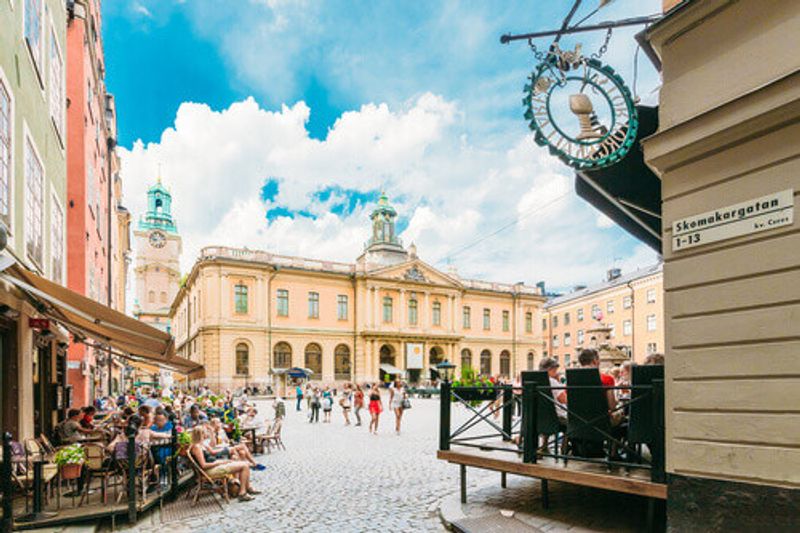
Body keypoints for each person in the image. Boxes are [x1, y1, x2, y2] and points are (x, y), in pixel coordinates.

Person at [189, 427, 260, 502]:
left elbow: (212, 452)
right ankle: (242, 493)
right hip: (210, 470)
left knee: (241, 462)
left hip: (214, 466)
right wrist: (218, 463)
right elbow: (203, 465)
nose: (207, 434)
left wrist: (221, 461)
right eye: (205, 432)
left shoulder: (201, 444)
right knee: (244, 466)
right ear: (201, 434)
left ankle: (247, 488)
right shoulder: (197, 447)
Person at [539, 358, 567, 423]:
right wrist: (562, 385)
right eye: (555, 370)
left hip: (540, 419)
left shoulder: (536, 380)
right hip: (558, 417)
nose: (556, 373)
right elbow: (564, 400)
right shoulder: (552, 381)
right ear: (550, 369)